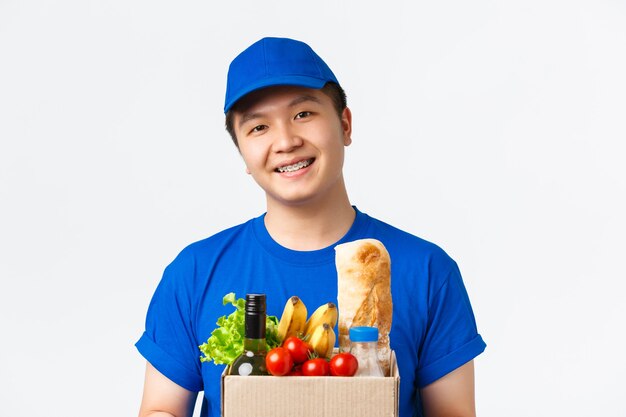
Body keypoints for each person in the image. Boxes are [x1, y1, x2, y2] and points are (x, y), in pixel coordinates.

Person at [136, 37, 486, 417]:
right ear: (243, 154)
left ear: (345, 125)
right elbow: (161, 410)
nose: (286, 141)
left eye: (303, 114)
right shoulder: (195, 273)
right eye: (258, 128)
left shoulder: (427, 270)